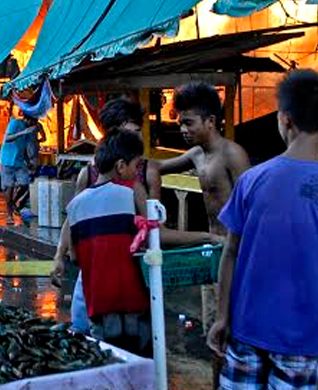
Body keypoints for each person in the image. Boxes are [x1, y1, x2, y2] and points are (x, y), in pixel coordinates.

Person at [208, 69, 318, 389]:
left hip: (245, 330)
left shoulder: (252, 181)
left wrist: (221, 317)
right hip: (302, 340)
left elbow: (230, 252)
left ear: (284, 119)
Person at [51, 98, 220, 334]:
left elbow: (155, 230)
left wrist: (204, 237)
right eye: (132, 132)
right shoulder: (87, 175)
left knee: (130, 335)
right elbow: (74, 219)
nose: (138, 138)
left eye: (139, 132)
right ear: (112, 134)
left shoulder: (145, 173)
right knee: (90, 334)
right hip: (94, 277)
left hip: (133, 276)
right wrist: (60, 255)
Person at [157, 82, 250, 344]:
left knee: (233, 328)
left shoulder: (233, 154)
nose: (183, 129)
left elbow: (251, 209)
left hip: (236, 253)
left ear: (210, 121)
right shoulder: (197, 154)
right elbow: (158, 167)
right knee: (213, 325)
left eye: (189, 123)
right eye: (181, 124)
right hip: (213, 250)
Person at [64, 129, 151, 356]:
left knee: (108, 361)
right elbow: (151, 237)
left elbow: (74, 258)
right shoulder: (131, 193)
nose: (137, 171)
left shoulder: (75, 206)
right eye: (136, 165)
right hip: (134, 301)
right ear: (121, 166)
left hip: (98, 305)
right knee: (137, 360)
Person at [0, 112, 40, 225]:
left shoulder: (30, 129)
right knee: (9, 187)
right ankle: (9, 216)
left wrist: (28, 162)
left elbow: (24, 148)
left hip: (20, 161)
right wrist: (23, 132)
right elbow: (7, 138)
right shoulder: (15, 123)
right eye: (33, 121)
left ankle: (13, 203)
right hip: (7, 160)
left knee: (25, 183)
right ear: (26, 119)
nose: (34, 124)